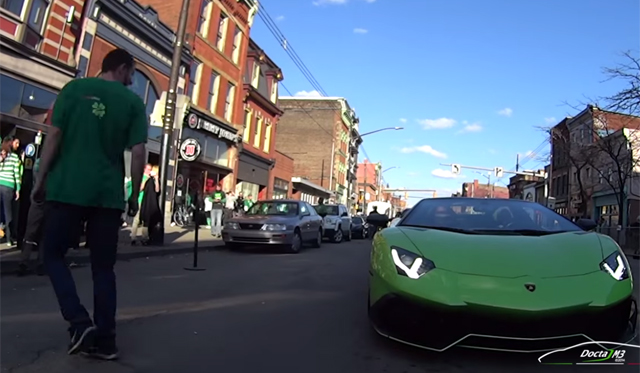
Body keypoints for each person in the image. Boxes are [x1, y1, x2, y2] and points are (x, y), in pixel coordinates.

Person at [32, 48, 147, 360]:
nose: (133, 79)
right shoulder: (134, 103)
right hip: (107, 195)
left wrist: (40, 180)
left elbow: (53, 137)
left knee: (53, 254)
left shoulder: (73, 90)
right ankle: (106, 342)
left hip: (67, 188)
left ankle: (79, 321)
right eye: (132, 72)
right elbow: (138, 154)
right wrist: (135, 195)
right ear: (122, 69)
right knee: (103, 268)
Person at [18, 158, 45, 276]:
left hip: (37, 198)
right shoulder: (57, 163)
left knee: (30, 232)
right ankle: (41, 262)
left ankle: (24, 261)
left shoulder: (38, 163)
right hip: (49, 199)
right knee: (45, 232)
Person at [0, 137, 21, 246]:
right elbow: (16, 174)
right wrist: (18, 189)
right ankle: (9, 239)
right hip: (9, 187)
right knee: (8, 213)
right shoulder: (14, 157)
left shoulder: (1, 155)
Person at [129, 163, 152, 245]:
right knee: (137, 219)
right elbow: (140, 189)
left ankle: (144, 237)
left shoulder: (150, 178)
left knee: (145, 220)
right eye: (148, 169)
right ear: (144, 169)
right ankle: (133, 237)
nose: (149, 171)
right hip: (140, 200)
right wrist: (145, 181)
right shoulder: (142, 178)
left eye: (150, 169)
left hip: (146, 201)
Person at [138, 167, 161, 245]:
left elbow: (157, 190)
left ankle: (150, 238)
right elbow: (141, 188)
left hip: (153, 203)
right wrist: (145, 180)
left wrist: (156, 179)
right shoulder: (146, 179)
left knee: (152, 220)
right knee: (145, 220)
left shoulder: (156, 180)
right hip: (146, 202)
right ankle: (144, 238)